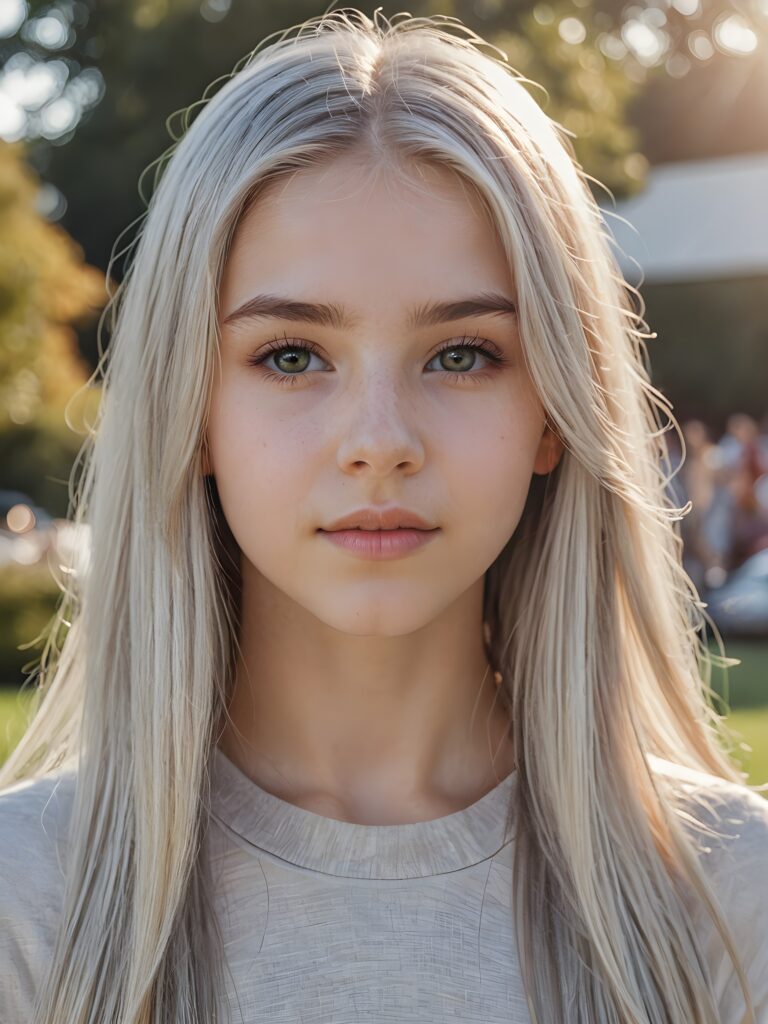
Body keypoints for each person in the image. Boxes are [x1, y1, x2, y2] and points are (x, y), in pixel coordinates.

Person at [1, 9, 766, 1024]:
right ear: (190, 412)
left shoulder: (729, 899)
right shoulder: (27, 902)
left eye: (462, 354)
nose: (379, 439)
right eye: (291, 355)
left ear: (554, 410)